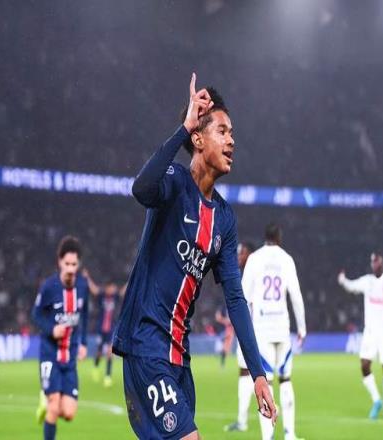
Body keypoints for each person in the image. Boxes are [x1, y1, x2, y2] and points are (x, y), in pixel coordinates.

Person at [113, 73, 277, 439]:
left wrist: (258, 374)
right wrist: (184, 127)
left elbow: (235, 299)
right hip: (145, 344)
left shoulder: (224, 219)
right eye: (222, 131)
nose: (232, 140)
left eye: (233, 133)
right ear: (198, 139)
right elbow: (141, 188)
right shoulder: (173, 182)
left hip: (179, 357)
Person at [226, 223, 306, 440]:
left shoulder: (255, 259)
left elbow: (243, 297)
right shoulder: (287, 259)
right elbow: (296, 296)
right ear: (279, 237)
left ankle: (267, 437)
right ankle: (290, 434)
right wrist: (302, 328)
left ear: (265, 237)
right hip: (282, 328)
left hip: (262, 330)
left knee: (265, 383)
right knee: (286, 380)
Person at [32, 236, 89, 440]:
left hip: (69, 358)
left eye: (74, 264)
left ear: (78, 264)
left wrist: (83, 343)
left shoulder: (82, 286)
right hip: (50, 354)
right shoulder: (49, 287)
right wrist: (51, 329)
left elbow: (84, 315)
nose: (71, 268)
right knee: (54, 407)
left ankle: (45, 400)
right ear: (60, 262)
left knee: (69, 413)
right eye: (67, 264)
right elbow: (36, 315)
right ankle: (48, 401)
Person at [338, 252, 383, 422]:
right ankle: (377, 401)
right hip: (370, 332)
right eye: (373, 262)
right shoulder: (367, 281)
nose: (375, 264)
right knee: (364, 365)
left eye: (377, 261)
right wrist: (343, 280)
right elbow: (352, 286)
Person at [216, 242, 254, 368]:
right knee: (231, 340)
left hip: (252, 320)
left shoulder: (251, 273)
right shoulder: (237, 273)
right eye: (238, 254)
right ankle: (224, 361)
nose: (239, 257)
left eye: (242, 253)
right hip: (239, 320)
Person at [83, 268, 120, 387]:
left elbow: (124, 291)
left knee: (110, 352)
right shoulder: (102, 295)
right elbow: (94, 290)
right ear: (107, 287)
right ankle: (95, 367)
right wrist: (87, 278)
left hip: (111, 329)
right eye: (111, 287)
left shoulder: (115, 296)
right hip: (101, 328)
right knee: (99, 352)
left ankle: (107, 377)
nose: (113, 289)